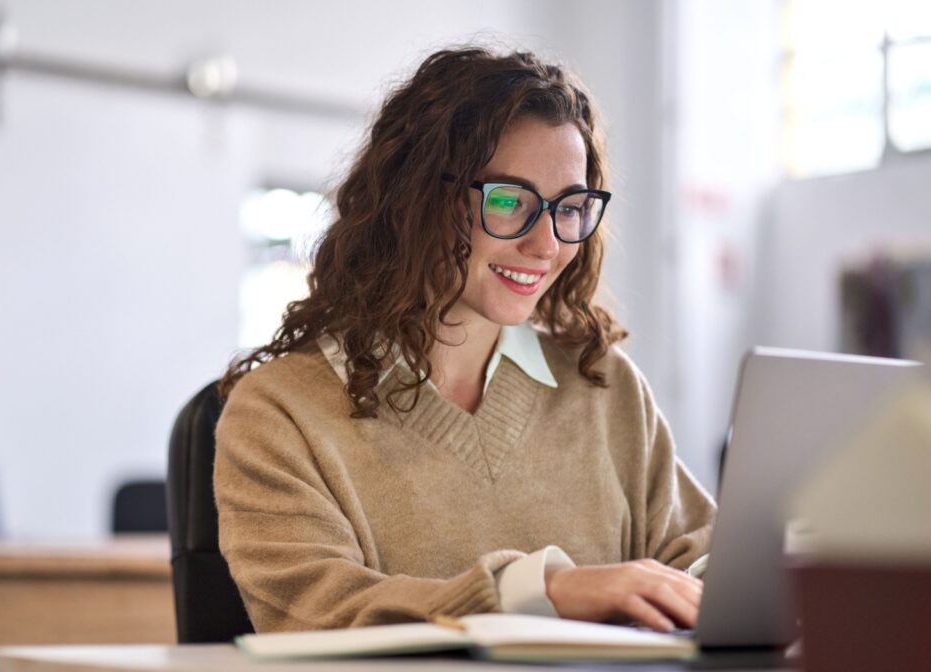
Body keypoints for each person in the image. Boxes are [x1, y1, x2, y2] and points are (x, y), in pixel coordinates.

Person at [214, 46, 715, 635]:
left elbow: (701, 567)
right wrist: (544, 591)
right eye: (509, 201)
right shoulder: (279, 413)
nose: (548, 246)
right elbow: (319, 612)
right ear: (414, 201)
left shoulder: (605, 387)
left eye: (570, 208)